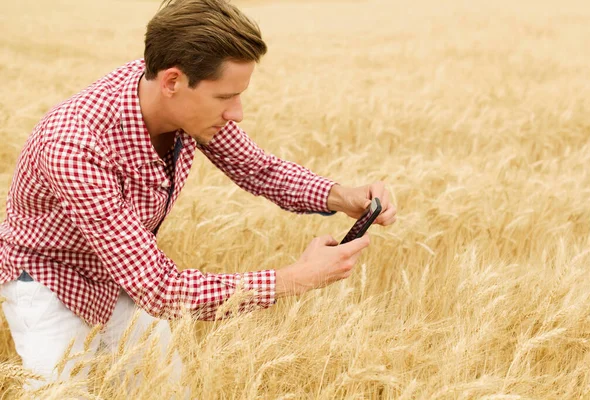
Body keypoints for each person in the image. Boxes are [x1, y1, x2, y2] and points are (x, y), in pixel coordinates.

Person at [0, 0, 397, 393]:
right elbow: (157, 288)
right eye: (225, 97)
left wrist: (342, 196)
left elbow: (258, 169)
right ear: (172, 81)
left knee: (164, 390)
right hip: (47, 279)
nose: (236, 113)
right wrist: (294, 279)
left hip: (121, 271)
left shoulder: (182, 104)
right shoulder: (74, 144)